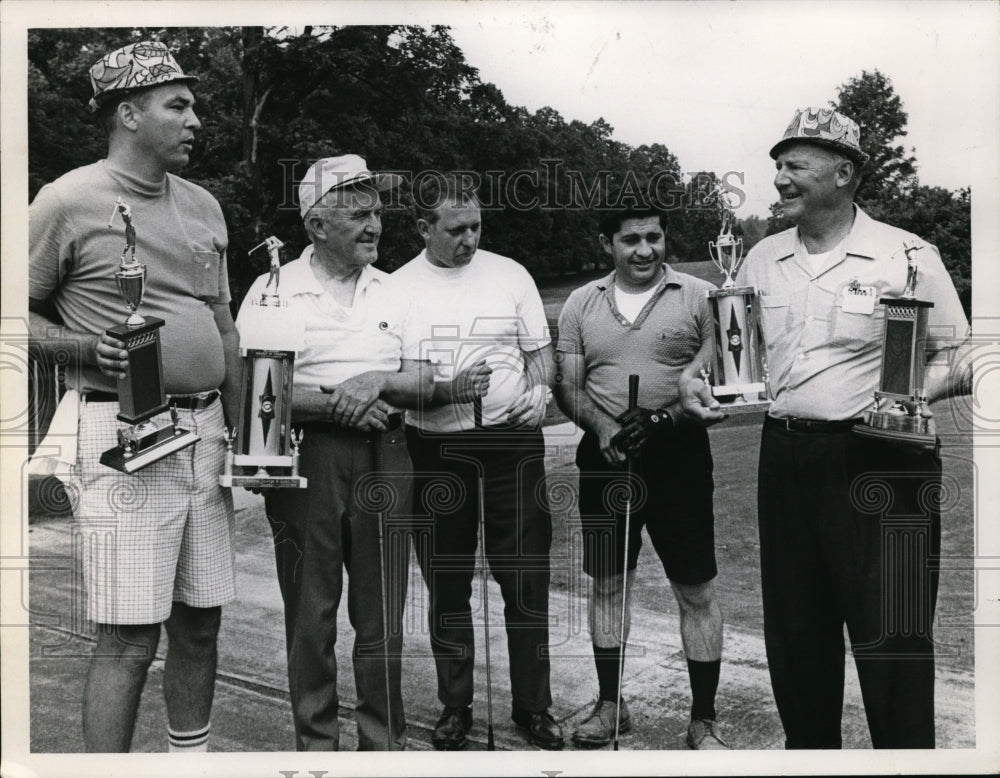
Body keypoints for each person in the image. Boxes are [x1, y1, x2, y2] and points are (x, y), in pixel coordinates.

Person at [683, 107, 971, 748]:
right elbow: (730, 350)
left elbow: (964, 355)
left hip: (882, 463)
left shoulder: (907, 255)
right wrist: (695, 380)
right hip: (786, 460)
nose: (780, 178)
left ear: (842, 173)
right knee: (797, 638)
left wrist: (903, 394)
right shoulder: (759, 257)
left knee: (893, 641)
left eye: (795, 165)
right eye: (777, 166)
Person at [28, 41, 240, 753]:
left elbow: (221, 324)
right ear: (128, 113)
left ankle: (191, 764)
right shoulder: (66, 198)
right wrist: (86, 348)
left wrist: (251, 437)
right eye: (178, 106)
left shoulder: (206, 205)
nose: (196, 121)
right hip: (122, 439)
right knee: (126, 635)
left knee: (202, 622)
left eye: (194, 107)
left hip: (205, 434)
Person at [239, 155, 429, 751]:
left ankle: (382, 748)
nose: (375, 225)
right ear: (317, 225)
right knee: (310, 613)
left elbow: (422, 378)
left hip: (387, 453)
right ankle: (317, 749)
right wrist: (338, 403)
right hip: (306, 457)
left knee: (382, 615)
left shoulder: (396, 289)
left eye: (377, 213)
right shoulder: (273, 289)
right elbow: (254, 391)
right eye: (359, 214)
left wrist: (374, 382)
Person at [393, 174, 563, 750]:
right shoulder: (395, 289)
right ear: (424, 228)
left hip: (513, 447)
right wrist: (444, 390)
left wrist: (540, 393)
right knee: (447, 583)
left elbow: (540, 353)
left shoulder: (510, 273)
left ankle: (533, 706)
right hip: (435, 450)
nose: (469, 239)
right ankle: (455, 705)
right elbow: (391, 386)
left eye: (476, 226)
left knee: (526, 579)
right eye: (456, 229)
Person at [554, 205, 730, 750]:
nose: (645, 250)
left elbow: (718, 373)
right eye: (630, 240)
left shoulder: (702, 296)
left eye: (654, 237)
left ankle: (704, 718)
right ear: (609, 243)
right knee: (608, 585)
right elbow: (568, 386)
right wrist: (604, 427)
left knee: (696, 589)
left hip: (679, 458)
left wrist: (661, 419)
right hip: (607, 462)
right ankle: (611, 705)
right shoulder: (582, 302)